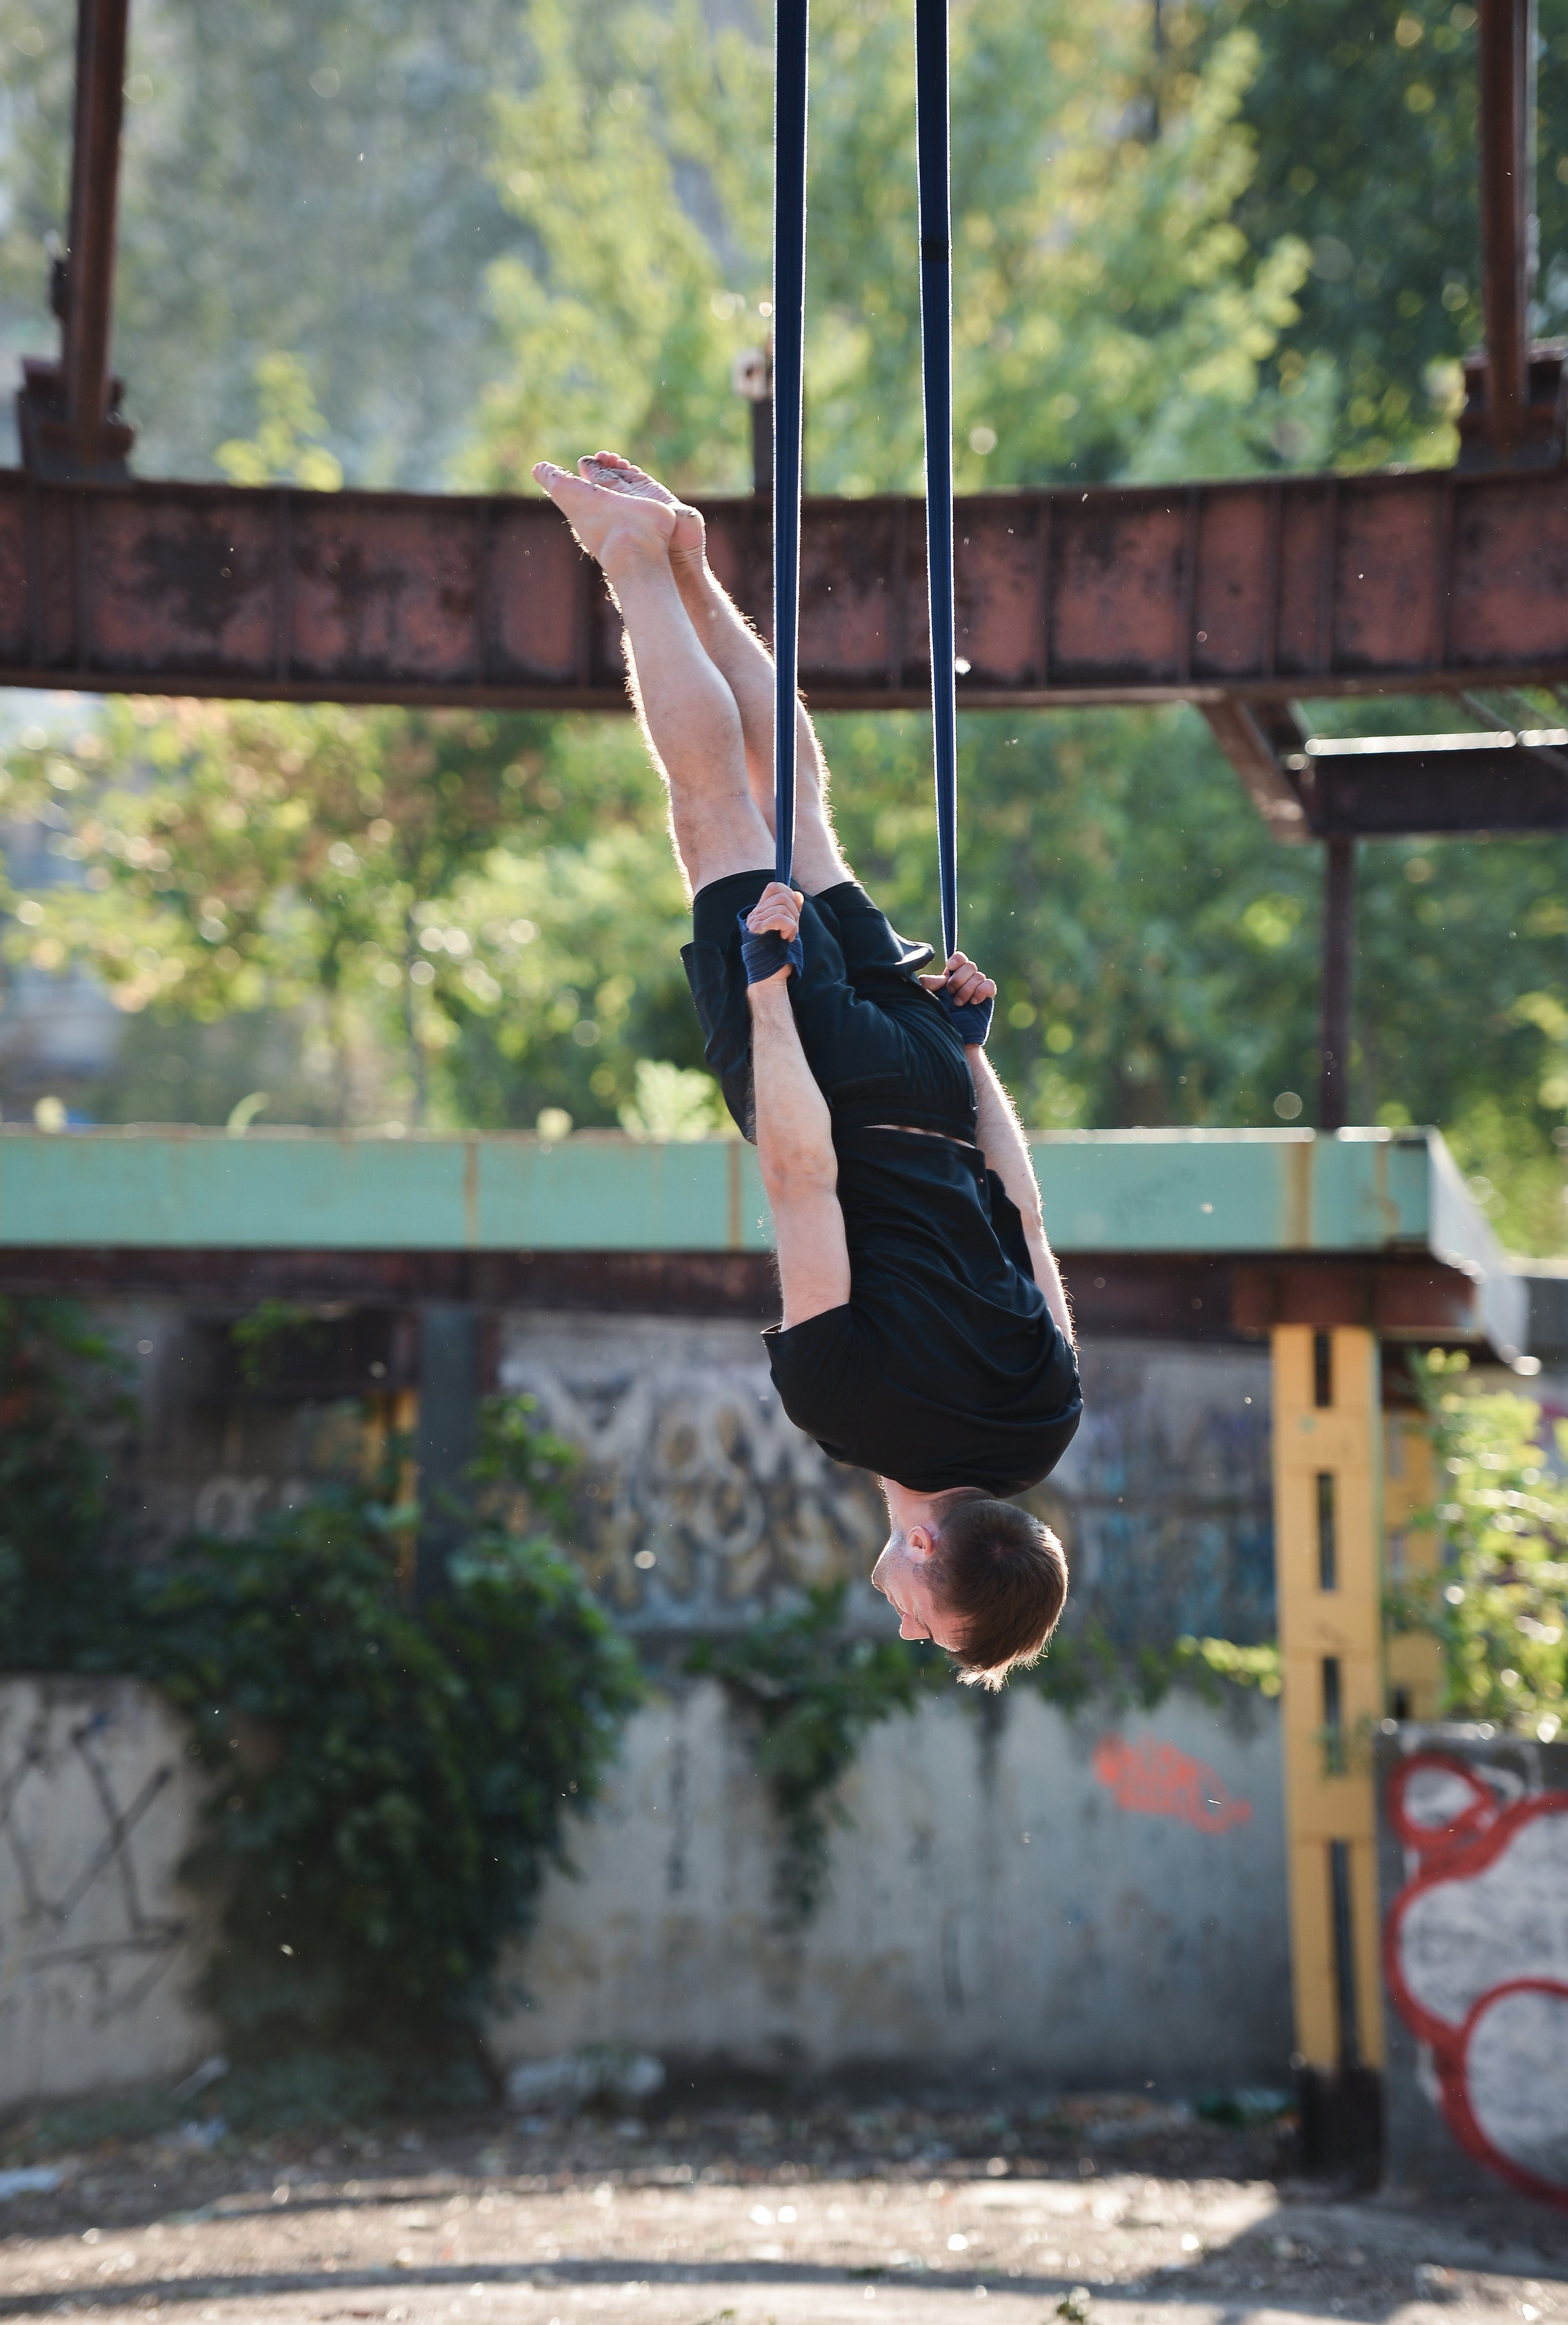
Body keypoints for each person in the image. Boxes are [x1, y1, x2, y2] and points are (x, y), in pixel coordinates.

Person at [532, 450, 1080, 1685]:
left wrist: (968, 1055)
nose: (896, 1613)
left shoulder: (1048, 1418)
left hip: (934, 1089)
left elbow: (1025, 1217)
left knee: (805, 823)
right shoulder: (849, 1411)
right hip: (825, 1084)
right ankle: (628, 556)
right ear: (932, 1543)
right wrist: (769, 996)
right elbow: (799, 1181)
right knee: (714, 813)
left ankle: (681, 557)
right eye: (921, 1617)